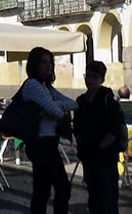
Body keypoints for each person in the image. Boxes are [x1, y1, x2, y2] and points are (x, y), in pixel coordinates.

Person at [21, 46, 77, 214]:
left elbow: (73, 104)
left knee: (43, 188)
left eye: (50, 62)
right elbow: (56, 112)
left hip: (49, 142)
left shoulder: (47, 88)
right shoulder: (32, 85)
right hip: (40, 143)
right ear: (35, 64)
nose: (48, 66)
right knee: (60, 187)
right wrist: (52, 108)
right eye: (43, 62)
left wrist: (49, 106)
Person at [74, 61, 123, 214]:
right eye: (87, 76)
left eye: (94, 77)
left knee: (108, 198)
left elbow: (115, 130)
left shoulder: (108, 100)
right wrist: (81, 146)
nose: (89, 80)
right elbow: (77, 127)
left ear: (101, 79)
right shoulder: (81, 101)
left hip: (106, 157)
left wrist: (100, 148)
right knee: (93, 197)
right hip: (88, 156)